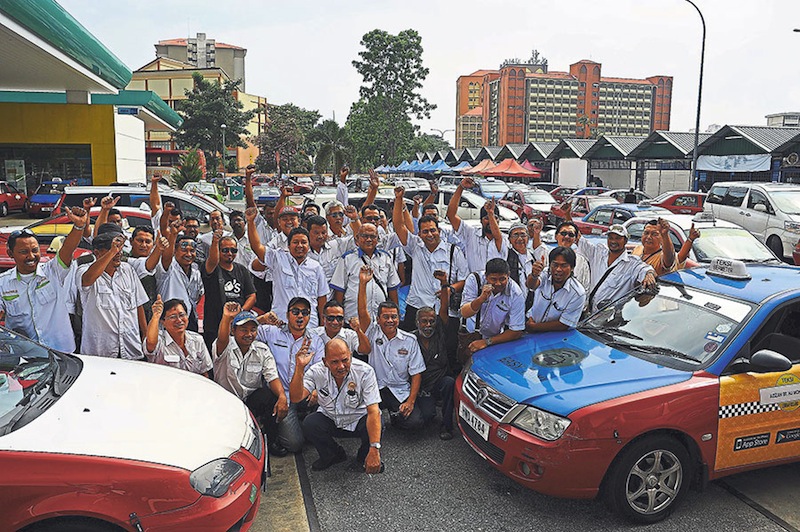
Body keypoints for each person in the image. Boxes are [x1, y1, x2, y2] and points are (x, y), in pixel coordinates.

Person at [0, 206, 89, 352]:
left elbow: (67, 249)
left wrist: (78, 227)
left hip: (62, 353)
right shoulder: (3, 283)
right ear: (10, 253)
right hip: (26, 356)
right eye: (24, 252)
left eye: (35, 250)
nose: (31, 256)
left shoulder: (53, 271)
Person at [290, 338, 384, 473]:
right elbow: (296, 397)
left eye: (345, 360)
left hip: (357, 420)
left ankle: (364, 457)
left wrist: (375, 449)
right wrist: (299, 368)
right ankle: (333, 455)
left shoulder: (365, 371)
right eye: (334, 362)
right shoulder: (316, 371)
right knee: (310, 423)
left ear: (351, 356)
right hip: (332, 419)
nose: (341, 366)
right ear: (325, 362)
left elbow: (373, 411)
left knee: (378, 421)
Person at [390, 185, 467, 334]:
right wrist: (399, 199)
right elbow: (399, 226)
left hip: (445, 310)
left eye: (433, 230)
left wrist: (450, 289)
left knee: (446, 351)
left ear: (439, 231)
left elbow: (464, 280)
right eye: (425, 231)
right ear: (419, 234)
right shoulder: (415, 246)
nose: (430, 234)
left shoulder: (453, 251)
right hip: (417, 306)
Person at [214, 302, 287, 456]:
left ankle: (271, 442)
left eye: (253, 330)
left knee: (271, 396)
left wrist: (282, 396)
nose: (249, 334)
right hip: (226, 403)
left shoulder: (262, 350)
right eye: (244, 330)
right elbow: (222, 339)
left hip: (249, 401)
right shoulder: (224, 346)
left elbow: (272, 376)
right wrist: (226, 318)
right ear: (233, 331)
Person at [356, 266, 425, 431]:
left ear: (399, 318)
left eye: (393, 317)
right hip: (376, 388)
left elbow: (416, 374)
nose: (390, 320)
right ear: (378, 319)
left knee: (415, 423)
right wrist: (363, 284)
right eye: (385, 317)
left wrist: (410, 402)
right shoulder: (372, 332)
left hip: (399, 389)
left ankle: (393, 416)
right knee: (362, 424)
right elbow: (362, 312)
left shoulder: (410, 340)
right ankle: (381, 416)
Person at [256, 296, 326, 455]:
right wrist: (261, 318)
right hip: (281, 396)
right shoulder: (272, 332)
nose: (300, 316)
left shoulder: (315, 341)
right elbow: (242, 330)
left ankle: (302, 419)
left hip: (305, 393)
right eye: (295, 311)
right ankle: (283, 425)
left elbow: (320, 369)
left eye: (304, 312)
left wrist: (316, 390)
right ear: (287, 315)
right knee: (294, 444)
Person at [247, 208, 328, 328]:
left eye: (303, 242)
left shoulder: (316, 267)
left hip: (310, 325)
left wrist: (322, 326)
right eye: (295, 242)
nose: (300, 246)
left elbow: (322, 299)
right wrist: (250, 222)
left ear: (308, 244)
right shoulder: (277, 258)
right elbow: (257, 247)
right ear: (289, 245)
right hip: (280, 322)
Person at [79, 232, 149, 360]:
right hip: (100, 352)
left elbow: (139, 303)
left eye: (119, 249)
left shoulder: (128, 270)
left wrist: (145, 334)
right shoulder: (84, 270)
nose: (118, 254)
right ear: (97, 253)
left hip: (130, 349)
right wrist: (112, 252)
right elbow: (87, 280)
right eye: (112, 250)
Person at [576, 224, 656, 314]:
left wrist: (649, 274)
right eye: (610, 238)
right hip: (588, 316)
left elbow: (645, 269)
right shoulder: (598, 253)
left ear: (625, 240)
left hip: (610, 321)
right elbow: (578, 239)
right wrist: (567, 215)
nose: (613, 241)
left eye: (618, 238)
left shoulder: (632, 264)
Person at [413, 270, 455, 440]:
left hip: (439, 383)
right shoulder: (410, 339)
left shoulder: (439, 332)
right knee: (426, 417)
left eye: (431, 321)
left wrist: (444, 283)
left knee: (449, 383)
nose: (428, 325)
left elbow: (444, 308)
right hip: (422, 387)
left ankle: (447, 425)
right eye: (424, 321)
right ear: (417, 323)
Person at [330, 222, 400, 321]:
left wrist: (395, 315)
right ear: (357, 238)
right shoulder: (347, 259)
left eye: (372, 236)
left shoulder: (386, 258)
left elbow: (392, 290)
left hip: (380, 320)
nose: (368, 239)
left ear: (378, 239)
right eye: (364, 236)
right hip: (353, 318)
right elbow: (339, 292)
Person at [202, 231, 257, 350]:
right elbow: (212, 260)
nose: (229, 253)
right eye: (225, 250)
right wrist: (215, 241)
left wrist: (240, 312)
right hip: (214, 326)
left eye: (233, 250)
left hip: (237, 326)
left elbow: (251, 295)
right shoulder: (212, 268)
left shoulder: (242, 270)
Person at [460, 258, 525, 354]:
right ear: (486, 276)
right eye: (493, 279)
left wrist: (487, 342)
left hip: (493, 340)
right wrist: (480, 299)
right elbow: (464, 313)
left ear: (508, 275)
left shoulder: (516, 293)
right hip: (469, 334)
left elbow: (516, 331)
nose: (498, 284)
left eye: (502, 279)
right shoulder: (474, 280)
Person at [446, 177, 507, 273]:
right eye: (487, 218)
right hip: (473, 285)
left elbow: (498, 236)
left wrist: (490, 214)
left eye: (495, 218)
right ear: (481, 221)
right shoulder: (471, 234)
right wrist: (461, 187)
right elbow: (451, 215)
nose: (491, 221)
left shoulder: (504, 239)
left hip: (497, 286)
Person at [144, 295, 212, 375]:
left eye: (182, 315)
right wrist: (156, 316)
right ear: (163, 321)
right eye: (173, 317)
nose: (179, 320)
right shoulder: (159, 340)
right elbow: (151, 342)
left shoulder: (197, 340)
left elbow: (204, 372)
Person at [526, 247, 587, 333]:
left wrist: (535, 327)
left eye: (564, 265)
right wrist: (534, 275)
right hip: (530, 325)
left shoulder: (578, 293)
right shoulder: (545, 273)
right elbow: (531, 285)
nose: (558, 269)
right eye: (555, 265)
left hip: (555, 336)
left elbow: (564, 324)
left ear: (572, 268)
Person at [158, 225, 204, 332]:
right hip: (169, 323)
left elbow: (198, 297)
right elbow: (166, 258)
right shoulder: (169, 267)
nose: (188, 254)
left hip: (189, 320)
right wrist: (173, 235)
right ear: (175, 251)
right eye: (184, 250)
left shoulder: (196, 270)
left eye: (192, 250)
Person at [552, 221, 592, 291]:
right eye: (563, 233)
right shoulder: (547, 256)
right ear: (556, 236)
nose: (567, 237)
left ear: (575, 239)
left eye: (571, 235)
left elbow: (585, 288)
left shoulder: (581, 261)